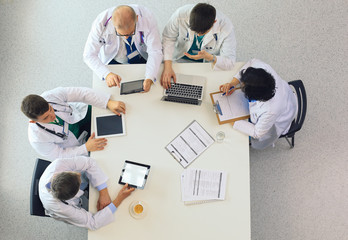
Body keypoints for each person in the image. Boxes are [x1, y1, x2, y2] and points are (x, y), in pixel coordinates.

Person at [21, 87, 126, 160]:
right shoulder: (37, 139)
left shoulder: (51, 96)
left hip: (79, 116)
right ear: (33, 121)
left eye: (51, 109)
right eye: (46, 117)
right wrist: (85, 148)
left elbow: (81, 93)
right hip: (76, 145)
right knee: (109, 152)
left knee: (117, 119)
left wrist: (107, 102)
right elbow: (59, 155)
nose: (52, 116)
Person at [39, 156, 135, 230]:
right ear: (74, 195)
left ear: (58, 174)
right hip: (60, 210)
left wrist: (103, 192)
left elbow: (89, 162)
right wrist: (119, 199)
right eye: (79, 180)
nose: (79, 173)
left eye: (74, 173)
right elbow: (93, 223)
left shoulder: (58, 165)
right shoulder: (61, 208)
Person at [219, 59, 297, 149]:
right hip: (285, 96)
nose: (240, 87)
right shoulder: (262, 70)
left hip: (281, 117)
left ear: (254, 96)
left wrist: (230, 119)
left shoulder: (271, 110)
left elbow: (257, 133)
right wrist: (233, 83)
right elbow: (251, 62)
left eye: (242, 87)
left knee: (238, 138)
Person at [83, 4, 163, 92]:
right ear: (113, 24)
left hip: (141, 57)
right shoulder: (101, 23)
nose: (126, 37)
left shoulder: (147, 18)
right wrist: (106, 74)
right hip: (113, 60)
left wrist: (150, 77)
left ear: (137, 19)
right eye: (121, 34)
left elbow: (155, 50)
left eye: (130, 33)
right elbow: (89, 55)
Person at [161, 3, 237, 89]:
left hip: (206, 65)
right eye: (196, 32)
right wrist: (167, 67)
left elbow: (230, 62)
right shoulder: (180, 15)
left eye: (202, 33)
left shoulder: (226, 28)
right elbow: (168, 39)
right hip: (179, 61)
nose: (198, 35)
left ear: (214, 23)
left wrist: (211, 58)